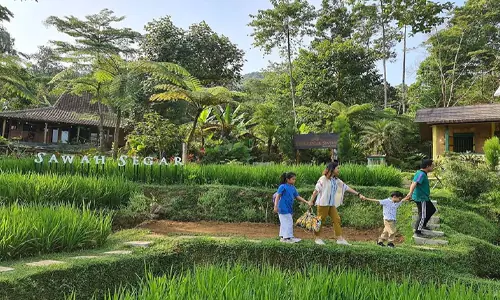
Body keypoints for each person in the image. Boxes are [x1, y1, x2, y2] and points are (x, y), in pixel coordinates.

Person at [310, 162, 365, 246]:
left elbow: (346, 187)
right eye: (337, 168)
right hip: (322, 204)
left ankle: (339, 239)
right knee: (320, 221)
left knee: (337, 219)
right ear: (332, 169)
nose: (339, 170)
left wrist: (358, 194)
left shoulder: (335, 180)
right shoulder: (323, 179)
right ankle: (317, 238)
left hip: (331, 204)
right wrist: (311, 201)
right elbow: (316, 191)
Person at [274, 172, 312, 243]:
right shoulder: (282, 186)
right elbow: (277, 196)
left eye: (295, 179)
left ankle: (283, 237)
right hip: (282, 207)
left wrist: (307, 202)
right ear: (288, 179)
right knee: (288, 222)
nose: (294, 180)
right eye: (293, 179)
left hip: (289, 208)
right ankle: (287, 238)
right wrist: (275, 206)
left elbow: (297, 196)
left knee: (285, 222)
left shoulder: (293, 188)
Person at [404, 159, 436, 237]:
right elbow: (414, 183)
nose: (433, 167)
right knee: (422, 215)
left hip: (424, 197)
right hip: (421, 198)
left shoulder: (422, 173)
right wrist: (410, 193)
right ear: (427, 166)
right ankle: (417, 231)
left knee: (432, 209)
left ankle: (423, 225)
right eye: (432, 166)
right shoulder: (421, 174)